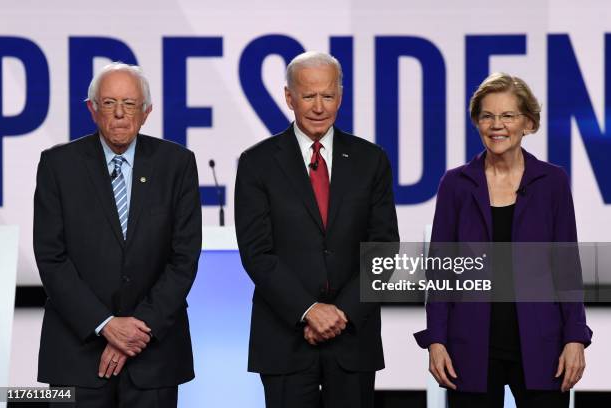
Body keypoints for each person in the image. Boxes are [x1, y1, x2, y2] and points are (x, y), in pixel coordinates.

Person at [414, 72, 593, 407]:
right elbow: (441, 272)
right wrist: (436, 339)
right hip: (469, 348)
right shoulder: (455, 184)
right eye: (487, 116)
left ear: (528, 122)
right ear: (477, 123)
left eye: (508, 115)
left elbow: (567, 266)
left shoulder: (552, 182)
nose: (497, 125)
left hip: (543, 346)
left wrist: (575, 338)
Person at [235, 51, 399, 408]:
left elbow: (384, 248)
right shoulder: (256, 163)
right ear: (289, 97)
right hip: (285, 337)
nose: (319, 106)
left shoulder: (371, 160)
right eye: (309, 96)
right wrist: (309, 310)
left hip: (353, 336)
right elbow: (256, 253)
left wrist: (342, 313)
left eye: (328, 95)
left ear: (340, 97)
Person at [33, 62, 202, 407]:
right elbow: (51, 257)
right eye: (109, 103)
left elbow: (184, 257)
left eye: (130, 104)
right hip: (76, 356)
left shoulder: (177, 164)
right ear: (92, 110)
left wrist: (139, 328)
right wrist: (105, 324)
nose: (120, 114)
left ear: (147, 111)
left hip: (154, 355)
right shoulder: (58, 165)